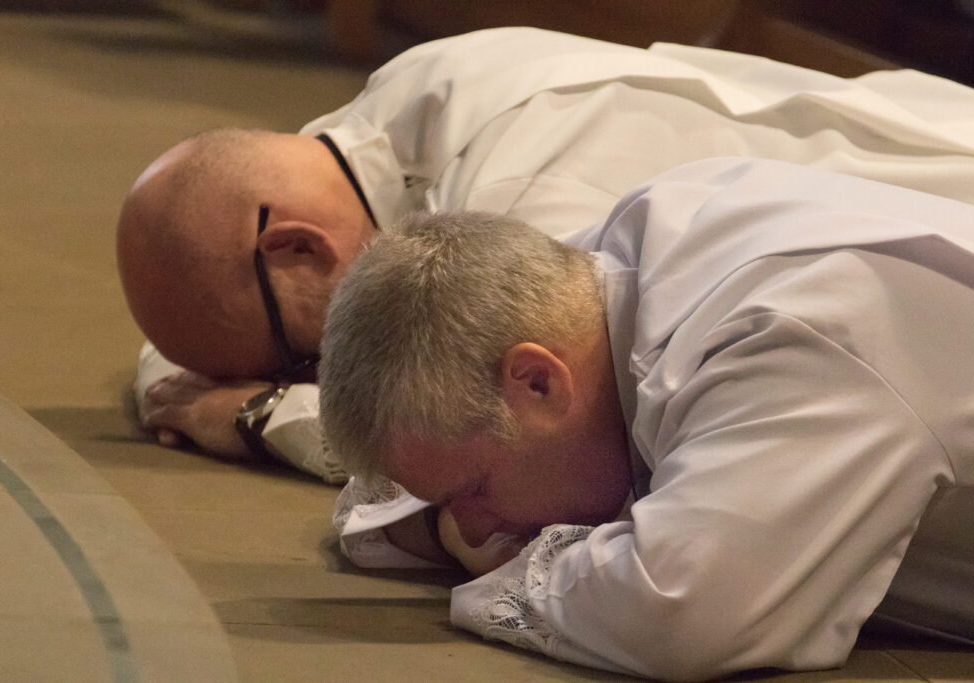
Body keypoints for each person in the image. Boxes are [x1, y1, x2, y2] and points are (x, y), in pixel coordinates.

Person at [117, 26, 974, 488]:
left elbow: (543, 453)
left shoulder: (525, 197)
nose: (320, 372)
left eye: (302, 358)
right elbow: (189, 342)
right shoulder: (404, 102)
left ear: (298, 245)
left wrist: (263, 414)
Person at [317, 157, 974, 680]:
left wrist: (497, 567)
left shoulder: (794, 333)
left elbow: (681, 612)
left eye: (471, 492)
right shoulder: (586, 278)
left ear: (539, 381)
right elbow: (407, 482)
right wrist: (450, 520)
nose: (469, 524)